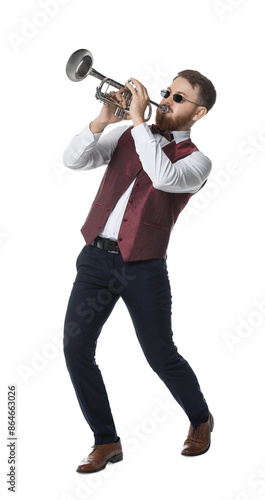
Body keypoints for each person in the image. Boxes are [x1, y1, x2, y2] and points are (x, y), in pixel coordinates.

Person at [62, 68, 217, 473]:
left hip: (144, 267)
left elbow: (163, 177)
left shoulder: (198, 161)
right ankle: (106, 440)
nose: (165, 100)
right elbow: (73, 160)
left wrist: (136, 120)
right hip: (95, 259)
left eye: (178, 98)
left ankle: (200, 418)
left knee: (160, 355)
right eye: (167, 92)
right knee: (76, 349)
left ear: (198, 114)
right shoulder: (128, 135)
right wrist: (102, 121)